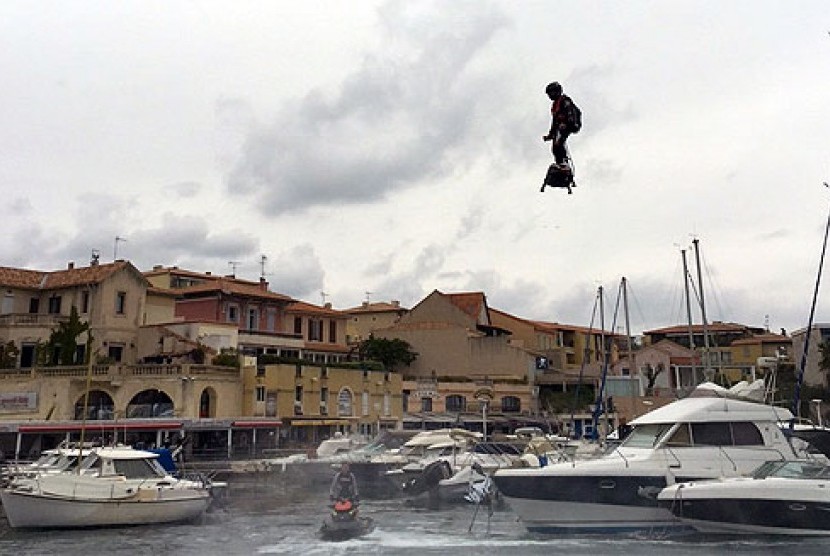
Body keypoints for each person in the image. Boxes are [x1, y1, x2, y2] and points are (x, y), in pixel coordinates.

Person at [542, 81, 575, 169]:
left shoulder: (564, 100)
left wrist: (567, 123)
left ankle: (564, 163)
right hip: (560, 126)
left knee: (558, 143)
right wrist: (550, 135)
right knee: (555, 147)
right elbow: (554, 121)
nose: (550, 96)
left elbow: (570, 112)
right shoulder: (555, 105)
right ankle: (560, 163)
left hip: (567, 125)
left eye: (551, 93)